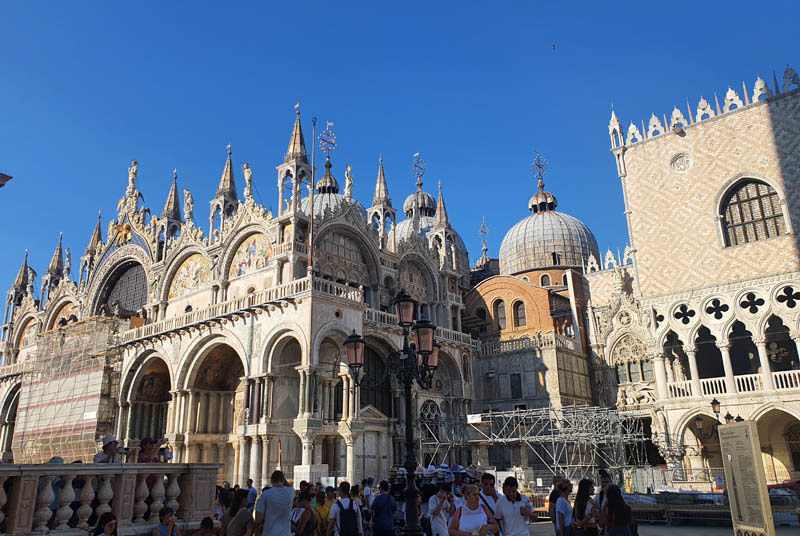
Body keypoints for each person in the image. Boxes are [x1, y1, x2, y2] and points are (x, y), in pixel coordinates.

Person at [255, 470, 296, 536]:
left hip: (269, 533)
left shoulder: (265, 494)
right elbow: (289, 486)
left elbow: (258, 519)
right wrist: (283, 479)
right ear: (283, 480)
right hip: (285, 533)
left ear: (272, 480)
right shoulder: (290, 492)